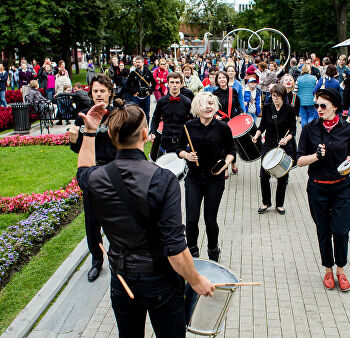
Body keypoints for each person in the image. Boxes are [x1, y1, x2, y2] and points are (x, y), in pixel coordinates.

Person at [75, 99, 215, 337]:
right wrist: (196, 280)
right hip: (160, 280)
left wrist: (89, 132)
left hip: (122, 279)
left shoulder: (96, 177)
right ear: (145, 135)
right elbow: (175, 248)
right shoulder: (164, 179)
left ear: (109, 136)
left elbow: (82, 169)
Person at [296, 87, 350, 291]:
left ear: (336, 107)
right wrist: (316, 157)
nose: (319, 109)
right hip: (317, 189)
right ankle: (328, 270)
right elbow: (299, 160)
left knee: (341, 230)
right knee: (323, 231)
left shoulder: (348, 129)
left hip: (341, 187)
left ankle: (341, 269)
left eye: (323, 105)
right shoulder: (309, 129)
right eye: (316, 105)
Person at [69, 74, 117, 282]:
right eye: (95, 91)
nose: (98, 94)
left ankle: (117, 259)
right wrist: (73, 140)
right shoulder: (83, 115)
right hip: (90, 174)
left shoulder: (117, 115)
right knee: (91, 222)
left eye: (102, 91)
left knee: (115, 220)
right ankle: (97, 261)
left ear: (110, 93)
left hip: (113, 174)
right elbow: (78, 148)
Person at [177, 92, 235, 262]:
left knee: (210, 219)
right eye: (204, 104)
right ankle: (192, 252)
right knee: (191, 219)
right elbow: (178, 149)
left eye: (211, 103)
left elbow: (232, 151)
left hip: (214, 180)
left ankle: (213, 252)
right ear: (197, 107)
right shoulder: (189, 126)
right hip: (193, 179)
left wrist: (225, 165)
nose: (208, 107)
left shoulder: (223, 127)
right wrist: (186, 156)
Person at [252, 84, 296, 215]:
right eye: (273, 96)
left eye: (277, 96)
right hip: (269, 144)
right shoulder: (267, 108)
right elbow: (262, 125)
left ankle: (279, 204)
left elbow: (293, 129)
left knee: (282, 176)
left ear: (283, 96)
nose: (275, 98)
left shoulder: (289, 109)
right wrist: (256, 135)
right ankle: (266, 202)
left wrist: (286, 139)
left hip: (284, 146)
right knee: (264, 175)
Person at [150, 72, 192, 156]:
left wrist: (190, 139)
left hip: (182, 141)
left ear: (181, 84)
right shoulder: (161, 101)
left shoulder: (187, 102)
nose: (174, 85)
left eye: (177, 82)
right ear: (168, 84)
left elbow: (193, 121)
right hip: (166, 140)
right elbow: (155, 118)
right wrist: (153, 131)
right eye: (172, 82)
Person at [213, 71, 243, 176]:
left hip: (233, 121)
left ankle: (233, 163)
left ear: (227, 79)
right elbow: (214, 108)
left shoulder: (233, 91)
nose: (222, 79)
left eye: (223, 77)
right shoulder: (215, 93)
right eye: (219, 78)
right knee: (222, 145)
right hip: (221, 122)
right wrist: (216, 115)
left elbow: (238, 105)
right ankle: (225, 168)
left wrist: (241, 114)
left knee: (232, 144)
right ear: (217, 80)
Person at [126, 56, 156, 122]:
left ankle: (147, 129)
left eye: (139, 62)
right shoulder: (133, 73)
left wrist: (150, 91)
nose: (137, 64)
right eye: (136, 62)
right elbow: (128, 84)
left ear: (143, 63)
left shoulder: (148, 72)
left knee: (147, 114)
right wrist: (133, 92)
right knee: (137, 114)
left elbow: (154, 82)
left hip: (146, 96)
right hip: (137, 97)